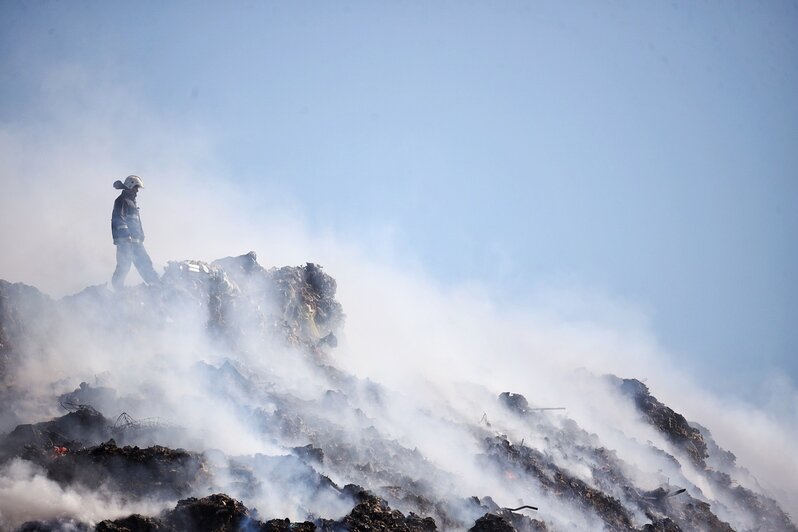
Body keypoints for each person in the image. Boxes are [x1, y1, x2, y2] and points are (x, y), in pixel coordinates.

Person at [111, 175, 160, 290]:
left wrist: (141, 235)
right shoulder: (121, 200)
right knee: (124, 266)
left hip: (136, 243)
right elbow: (119, 218)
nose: (137, 191)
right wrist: (126, 237)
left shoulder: (132, 203)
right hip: (126, 242)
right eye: (136, 188)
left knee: (145, 264)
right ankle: (118, 290)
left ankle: (157, 286)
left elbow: (136, 222)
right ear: (130, 185)